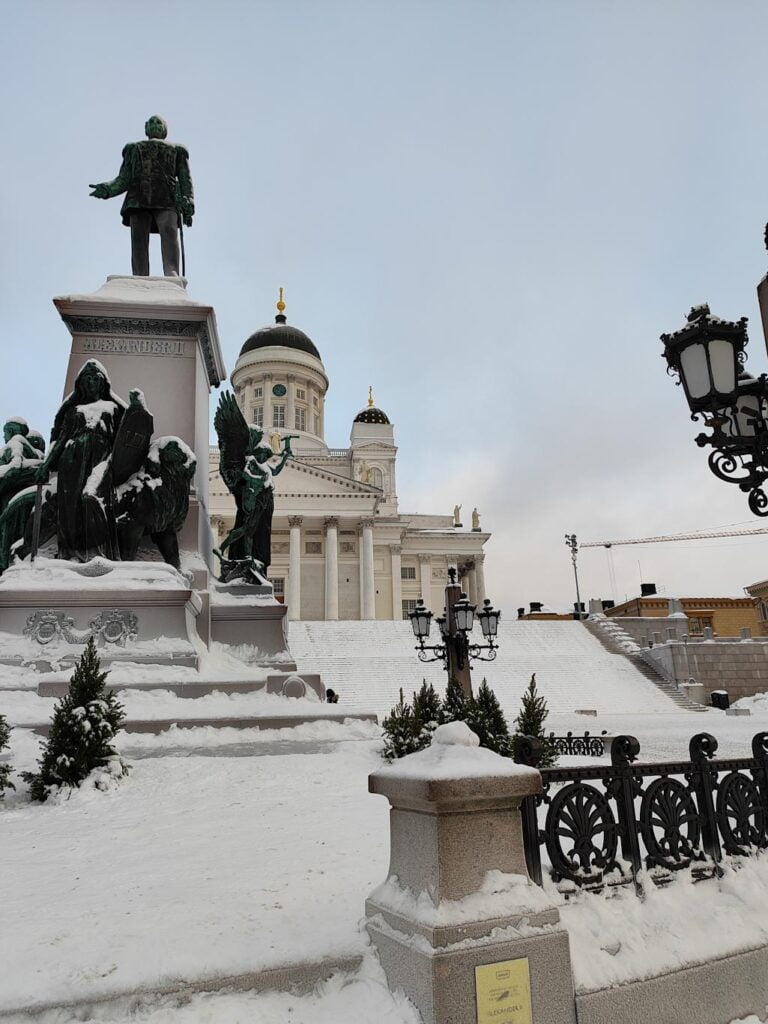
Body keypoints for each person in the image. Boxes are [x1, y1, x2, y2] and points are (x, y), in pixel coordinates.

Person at [35, 361, 125, 561]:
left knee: (91, 498)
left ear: (102, 384)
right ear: (82, 384)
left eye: (96, 379)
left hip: (100, 459)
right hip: (72, 461)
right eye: (88, 379)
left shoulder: (111, 408)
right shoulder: (73, 411)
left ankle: (98, 552)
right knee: (70, 507)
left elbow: (122, 438)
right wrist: (46, 465)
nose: (92, 383)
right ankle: (72, 553)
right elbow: (61, 439)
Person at [89, 115, 194, 277]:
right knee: (138, 240)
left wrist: (188, 201)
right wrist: (107, 189)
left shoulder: (177, 150)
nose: (154, 125)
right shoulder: (133, 148)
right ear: (145, 128)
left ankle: (172, 272)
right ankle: (140, 275)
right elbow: (123, 179)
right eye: (151, 122)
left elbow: (185, 179)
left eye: (158, 122)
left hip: (167, 199)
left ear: (165, 129)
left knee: (170, 235)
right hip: (138, 199)